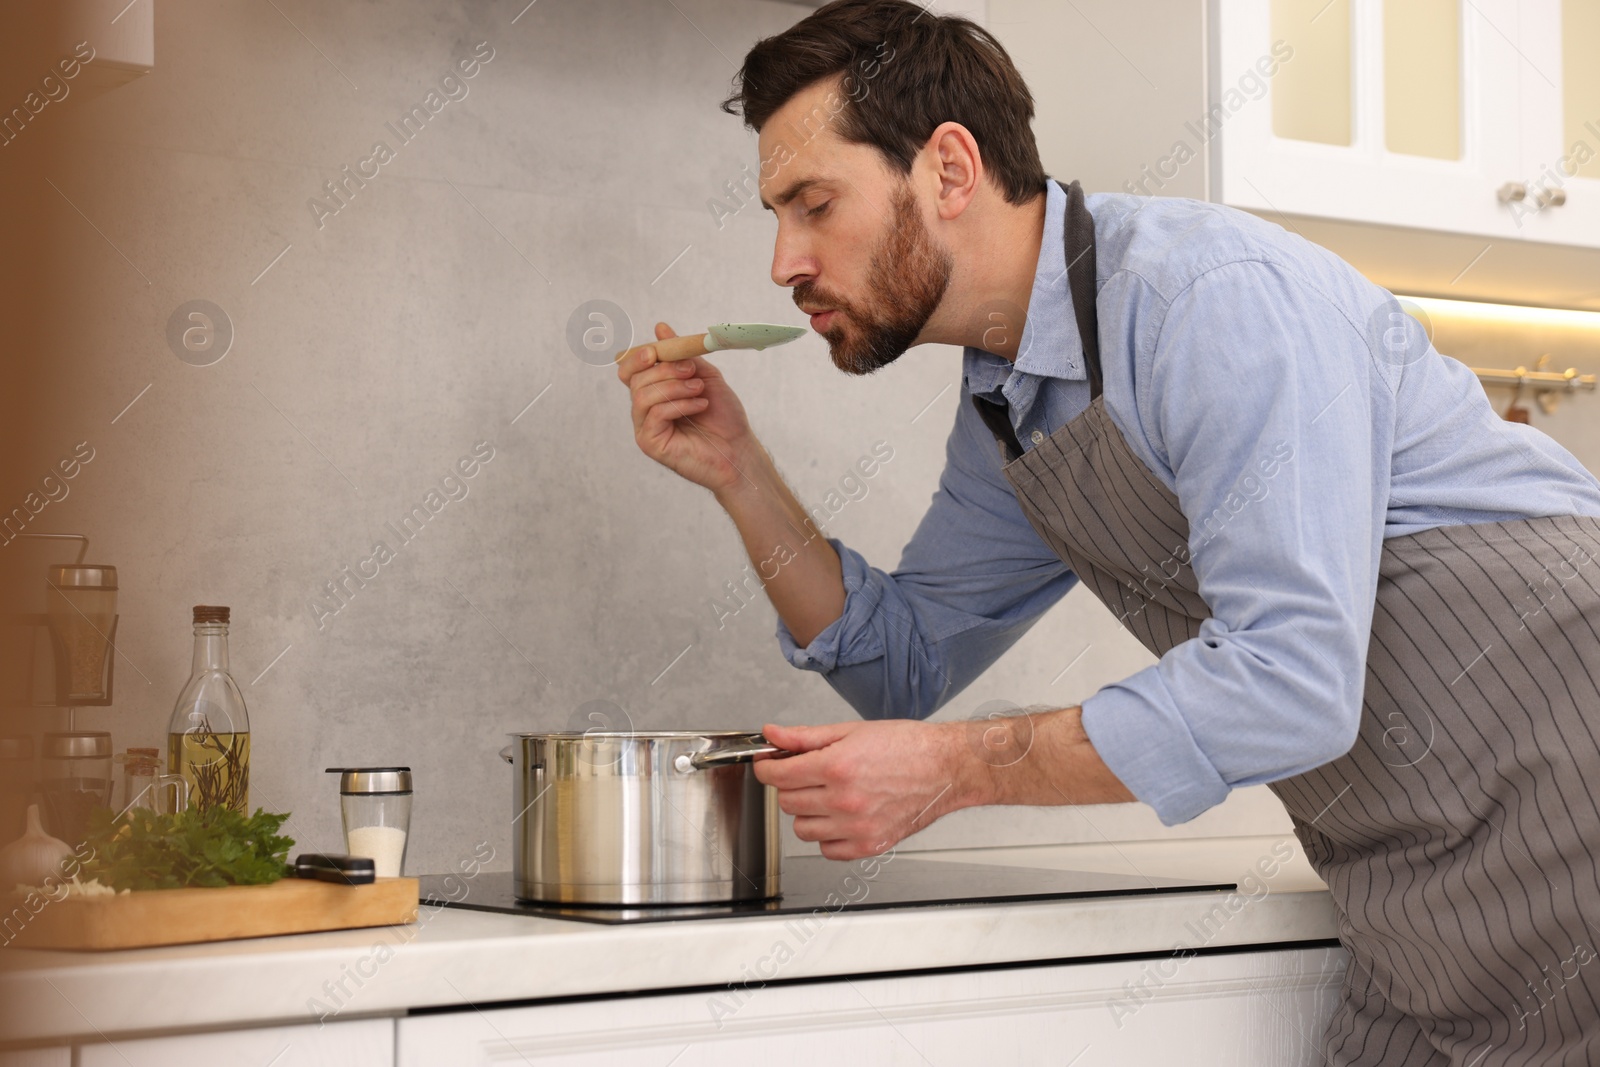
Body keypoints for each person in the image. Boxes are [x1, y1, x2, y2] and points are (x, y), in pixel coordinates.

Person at [613, 2, 1600, 1062]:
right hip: (1411, 859)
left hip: (1566, 783)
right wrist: (738, 470)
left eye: (812, 205)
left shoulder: (1207, 300)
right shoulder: (1014, 398)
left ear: (948, 169)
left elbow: (1288, 681)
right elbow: (901, 670)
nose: (784, 261)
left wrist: (957, 768)